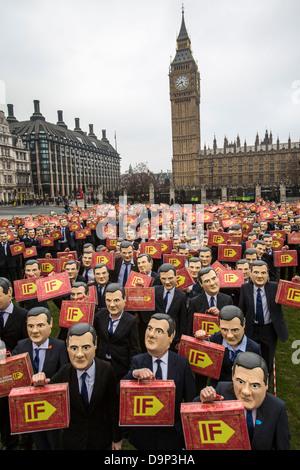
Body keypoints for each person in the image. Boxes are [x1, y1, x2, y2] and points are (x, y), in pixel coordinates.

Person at [31, 323, 122, 450]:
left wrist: (116, 438)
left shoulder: (107, 370)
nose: (79, 354)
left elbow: (113, 405)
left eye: (85, 347)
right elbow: (46, 394)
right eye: (74, 348)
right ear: (67, 347)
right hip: (74, 441)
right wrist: (39, 382)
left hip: (101, 439)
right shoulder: (64, 372)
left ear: (95, 345)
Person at [122, 313, 196, 450]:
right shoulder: (138, 361)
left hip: (172, 437)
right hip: (143, 437)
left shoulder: (182, 364)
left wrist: (180, 428)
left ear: (171, 337)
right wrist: (134, 374)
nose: (151, 334)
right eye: (149, 329)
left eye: (159, 331)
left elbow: (191, 400)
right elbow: (121, 394)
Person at [195, 352, 290, 450]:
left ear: (266, 383)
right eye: (240, 382)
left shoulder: (277, 409)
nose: (246, 392)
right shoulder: (222, 391)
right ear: (233, 375)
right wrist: (203, 399)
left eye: (254, 385)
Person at [12, 306, 68, 450]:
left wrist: (47, 382)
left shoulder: (60, 346)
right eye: (30, 326)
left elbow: (65, 374)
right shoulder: (21, 346)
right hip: (31, 408)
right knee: (38, 441)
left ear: (51, 324)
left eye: (40, 325)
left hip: (53, 408)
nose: (35, 331)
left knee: (55, 442)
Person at [239, 260, 289, 374]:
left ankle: (266, 385)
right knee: (250, 359)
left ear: (267, 274)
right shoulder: (245, 288)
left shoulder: (275, 287)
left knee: (268, 360)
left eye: (263, 273)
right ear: (251, 274)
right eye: (256, 272)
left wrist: (296, 283)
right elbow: (242, 309)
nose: (260, 276)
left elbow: (291, 296)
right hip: (252, 329)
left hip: (269, 330)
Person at [194, 305, 261, 387]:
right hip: (217, 388)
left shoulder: (254, 348)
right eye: (224, 330)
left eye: (235, 330)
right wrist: (197, 338)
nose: (229, 335)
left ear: (243, 323)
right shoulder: (215, 340)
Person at [0, 277, 28, 450]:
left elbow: (27, 343)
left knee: (19, 407)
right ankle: (8, 442)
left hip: (17, 370)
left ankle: (25, 440)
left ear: (9, 292)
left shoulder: (23, 316)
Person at [93, 283, 138, 383]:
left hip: (120, 366)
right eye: (108, 300)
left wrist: (132, 369)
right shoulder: (100, 315)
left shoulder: (130, 320)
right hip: (102, 364)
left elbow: (133, 348)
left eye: (116, 300)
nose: (112, 305)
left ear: (124, 299)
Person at [187, 267, 233, 336]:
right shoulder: (194, 302)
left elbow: (232, 324)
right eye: (207, 281)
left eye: (214, 278)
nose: (212, 283)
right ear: (201, 284)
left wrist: (220, 315)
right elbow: (190, 329)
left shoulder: (227, 299)